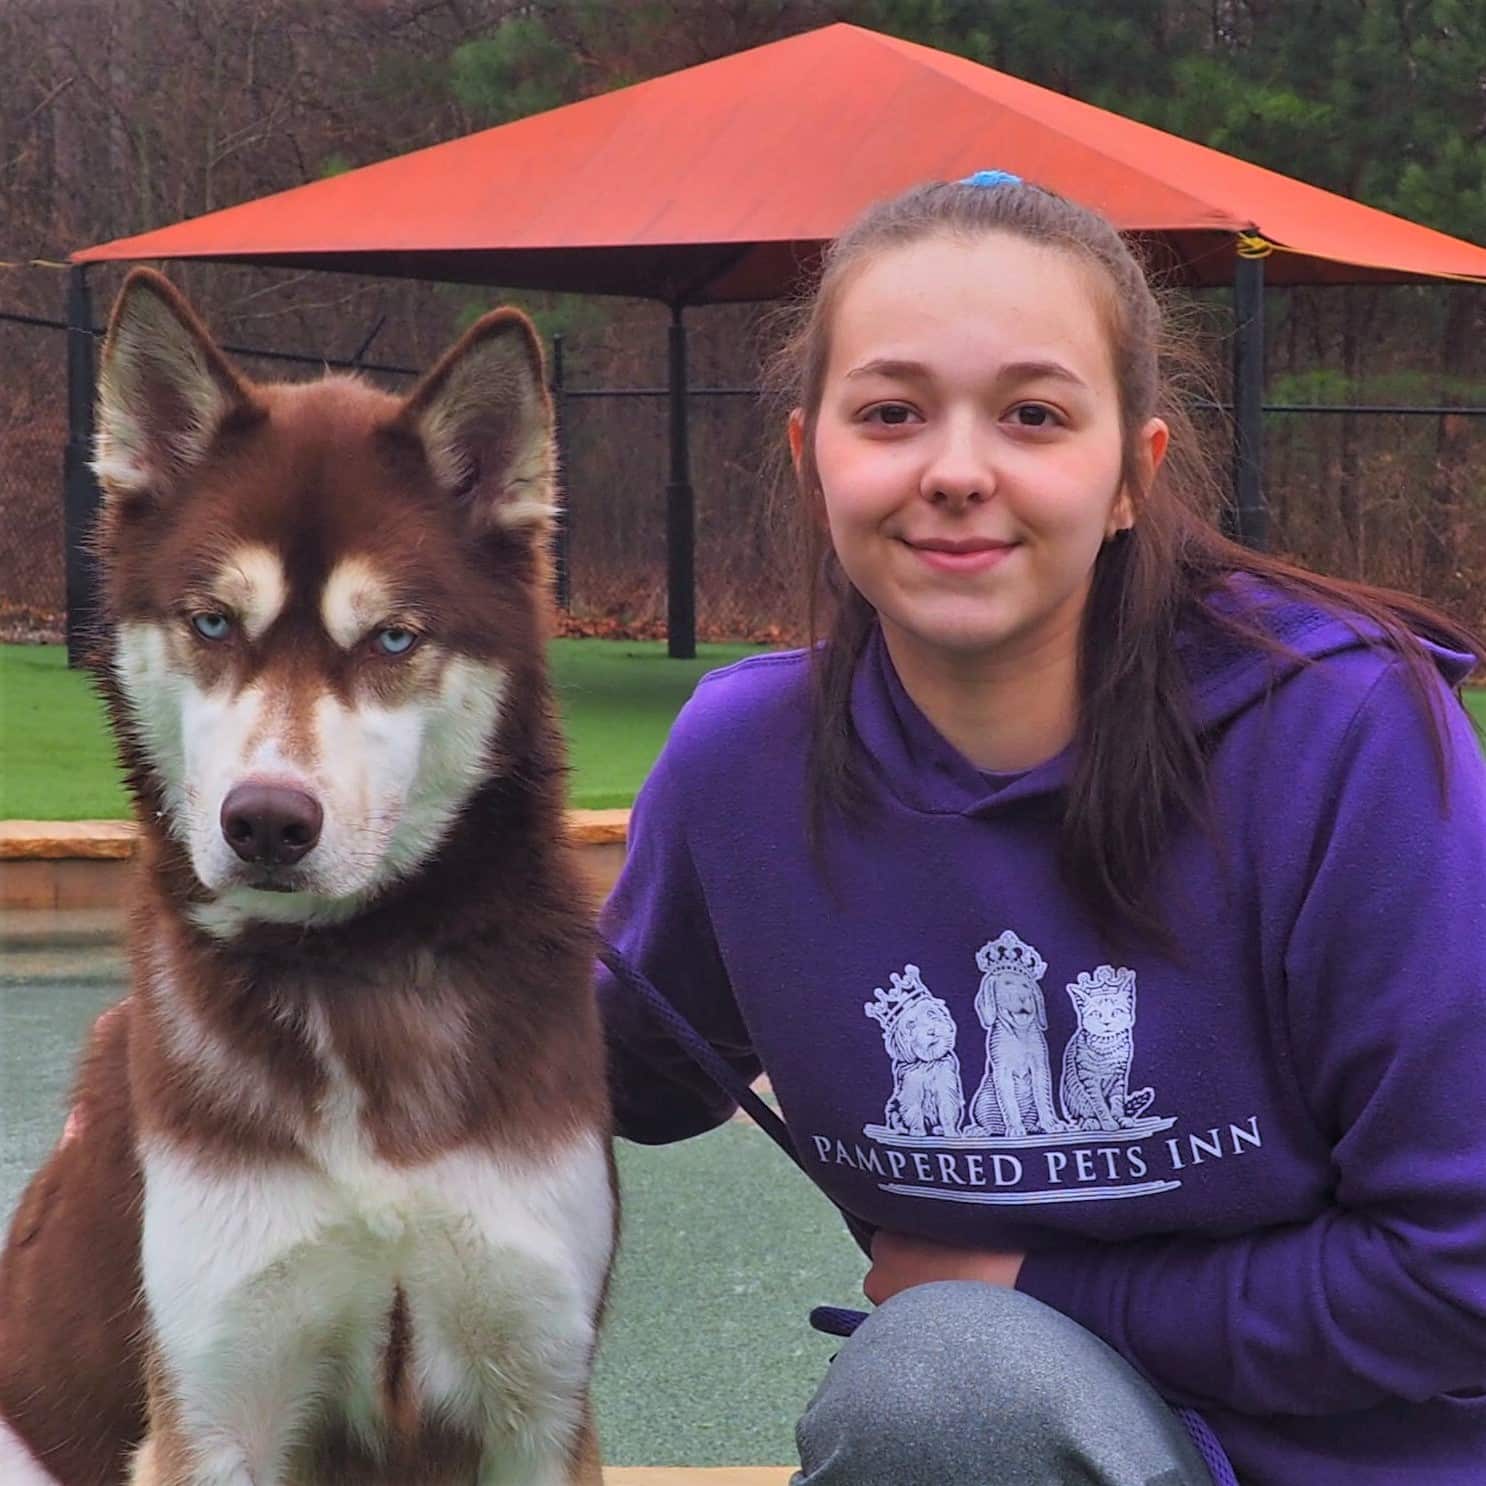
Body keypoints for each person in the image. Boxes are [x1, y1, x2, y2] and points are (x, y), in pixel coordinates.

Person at [595, 171, 1486, 1485]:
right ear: (810, 457)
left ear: (1133, 472)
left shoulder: (1343, 736)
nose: (957, 472)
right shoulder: (742, 767)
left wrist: (1027, 1282)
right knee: (954, 1390)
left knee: (954, 1382)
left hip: (1374, 1461)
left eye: (1031, 414)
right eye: (891, 412)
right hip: (1041, 1441)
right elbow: (623, 1078)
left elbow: (1458, 1273)